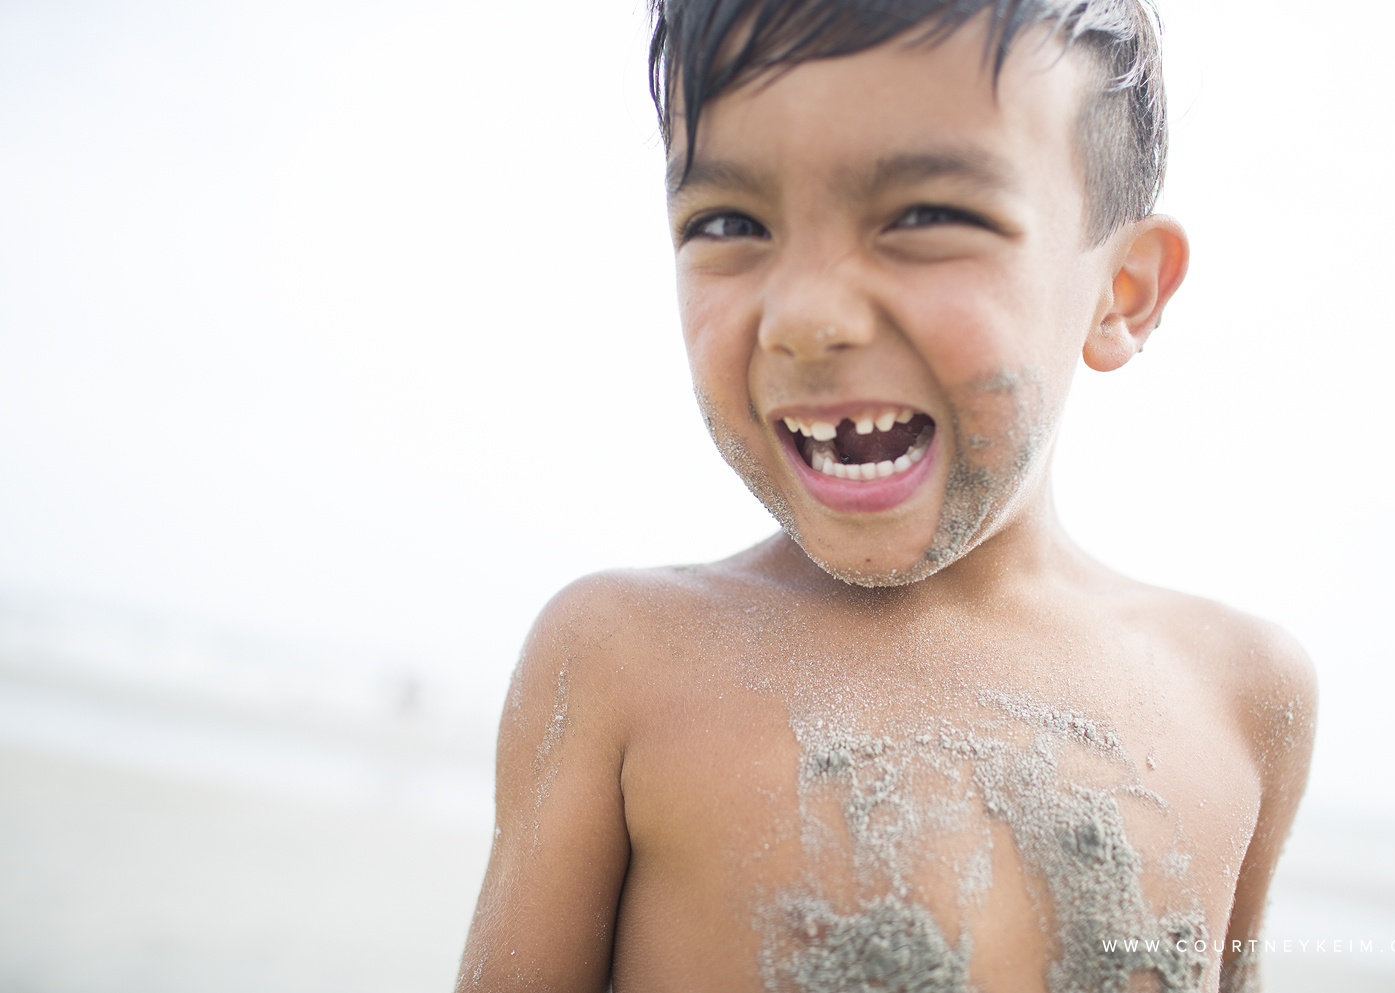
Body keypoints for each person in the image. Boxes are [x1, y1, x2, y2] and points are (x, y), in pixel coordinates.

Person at [457, 1, 1316, 990]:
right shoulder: (623, 660)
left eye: (925, 217)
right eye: (729, 223)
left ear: (1121, 292)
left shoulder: (1242, 697)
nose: (806, 317)